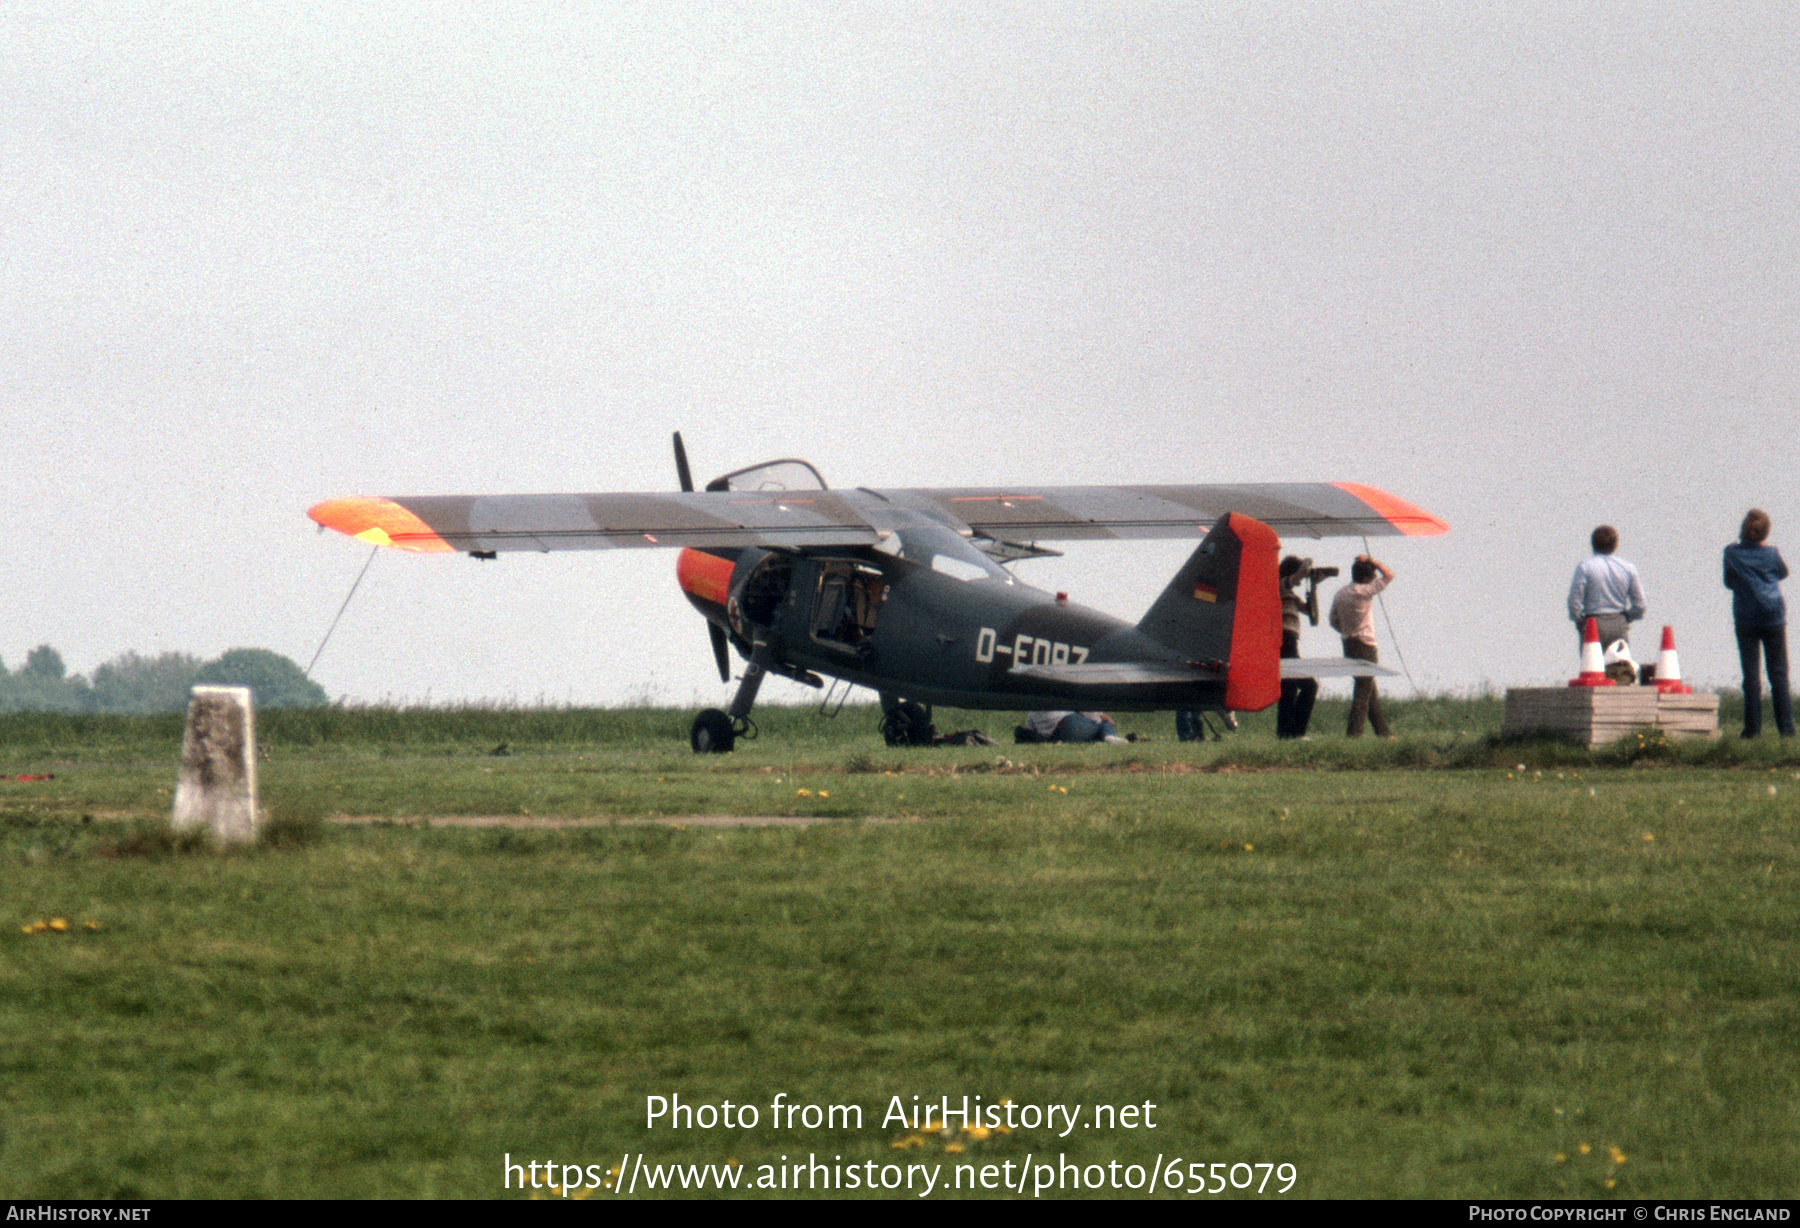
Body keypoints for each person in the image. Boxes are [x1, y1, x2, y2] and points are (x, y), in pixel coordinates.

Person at [1724, 509, 1793, 738]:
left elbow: (1729, 581)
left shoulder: (1732, 553)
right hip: (1773, 614)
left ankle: (1752, 730)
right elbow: (1783, 573)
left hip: (1746, 616)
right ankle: (1786, 729)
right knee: (1779, 675)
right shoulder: (1772, 553)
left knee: (1751, 676)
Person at [1329, 554, 1393, 738]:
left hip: (1348, 643)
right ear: (1366, 578)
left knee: (1369, 689)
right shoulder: (1364, 591)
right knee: (1363, 693)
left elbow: (1333, 620)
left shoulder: (1341, 593)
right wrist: (1374, 561)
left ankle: (1384, 733)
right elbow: (1388, 576)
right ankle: (1353, 735)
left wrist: (1347, 630)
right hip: (1366, 645)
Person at [1568, 525, 1646, 648]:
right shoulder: (1628, 568)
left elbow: (1574, 601)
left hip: (1593, 623)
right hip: (1618, 623)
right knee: (1620, 665)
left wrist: (1580, 621)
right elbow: (1640, 605)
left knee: (1593, 664)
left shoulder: (1585, 567)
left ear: (1593, 544)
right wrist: (1626, 618)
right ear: (1615, 544)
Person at [1277, 555, 1319, 739]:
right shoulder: (1279, 585)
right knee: (1308, 686)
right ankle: (1295, 732)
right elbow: (1299, 574)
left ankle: (1286, 733)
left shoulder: (1291, 595)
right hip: (1284, 640)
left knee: (1289, 688)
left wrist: (1314, 587)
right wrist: (1308, 564)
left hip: (1290, 641)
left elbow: (1313, 617)